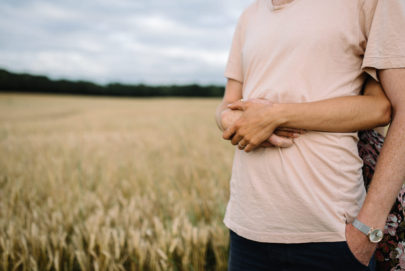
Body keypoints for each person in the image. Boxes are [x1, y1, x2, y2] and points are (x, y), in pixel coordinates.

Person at [215, 0, 405, 270]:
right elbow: (226, 104)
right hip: (246, 230)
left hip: (331, 234)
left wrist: (368, 230)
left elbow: (394, 108)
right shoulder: (250, 15)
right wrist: (231, 118)